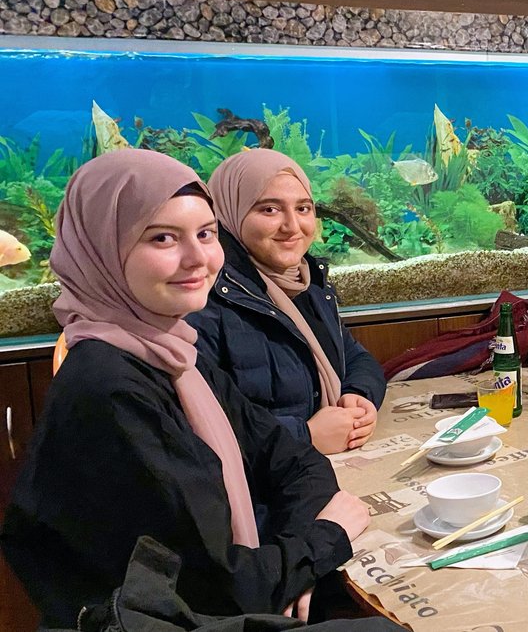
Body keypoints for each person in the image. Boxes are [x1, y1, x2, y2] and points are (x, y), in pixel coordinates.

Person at [0, 150, 370, 627]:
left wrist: (297, 564)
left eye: (206, 234)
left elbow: (293, 458)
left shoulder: (172, 352)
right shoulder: (111, 390)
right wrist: (324, 538)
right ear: (100, 251)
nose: (198, 259)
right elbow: (224, 587)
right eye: (162, 238)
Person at [188, 149, 386, 455]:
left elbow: (356, 358)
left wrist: (360, 396)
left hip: (314, 472)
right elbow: (206, 424)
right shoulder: (205, 303)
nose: (292, 226)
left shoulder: (309, 284)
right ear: (229, 213)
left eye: (304, 208)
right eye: (269, 210)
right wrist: (305, 435)